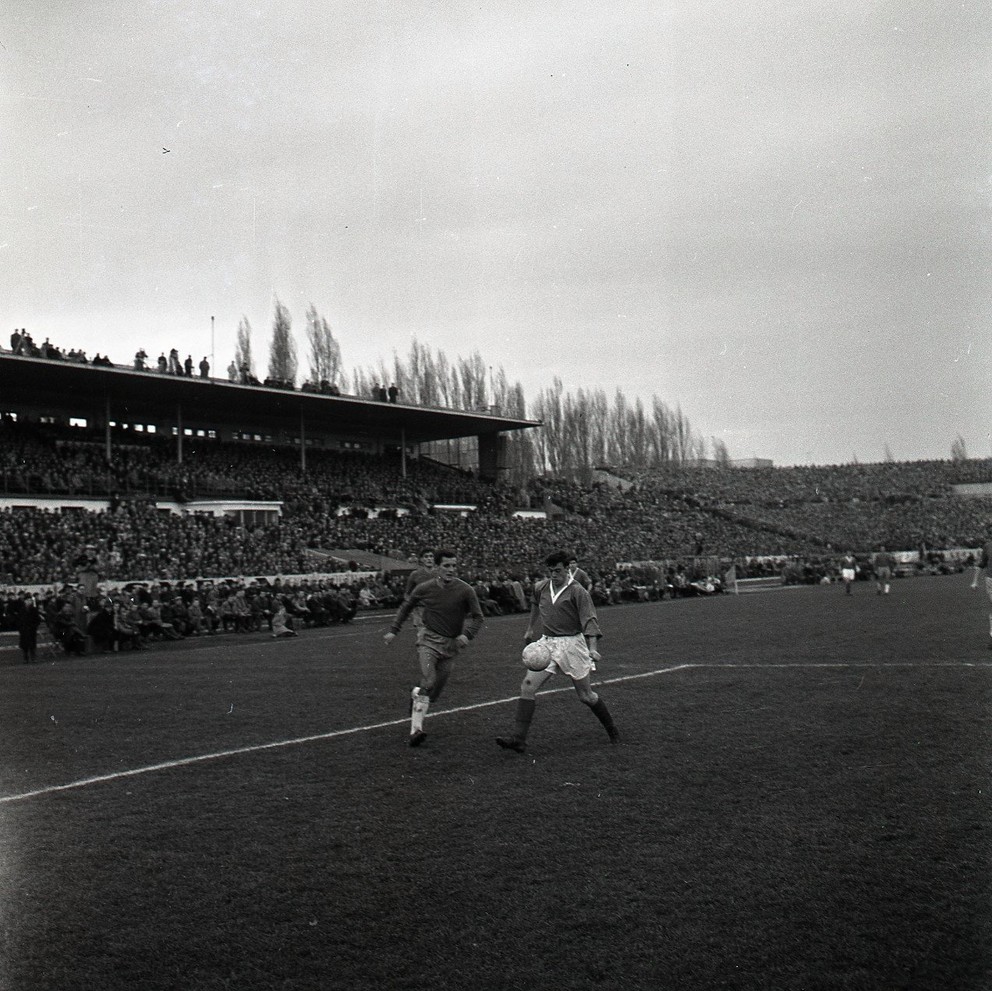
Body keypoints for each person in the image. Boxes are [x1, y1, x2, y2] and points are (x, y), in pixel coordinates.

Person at [496, 550, 618, 754]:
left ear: (568, 569)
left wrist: (593, 648)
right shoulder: (541, 587)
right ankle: (518, 739)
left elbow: (590, 620)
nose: (554, 574)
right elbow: (535, 605)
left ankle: (612, 730)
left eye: (558, 570)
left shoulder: (578, 591)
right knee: (527, 686)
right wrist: (529, 628)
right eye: (551, 571)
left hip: (573, 645)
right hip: (548, 643)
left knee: (586, 696)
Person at [383, 549, 484, 747]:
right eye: (446, 566)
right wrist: (394, 630)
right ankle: (416, 730)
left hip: (451, 644)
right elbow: (406, 606)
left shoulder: (465, 590)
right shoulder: (424, 588)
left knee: (433, 694)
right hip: (428, 640)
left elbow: (478, 617)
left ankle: (416, 693)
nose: (451, 569)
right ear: (437, 567)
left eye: (454, 565)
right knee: (429, 680)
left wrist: (466, 635)